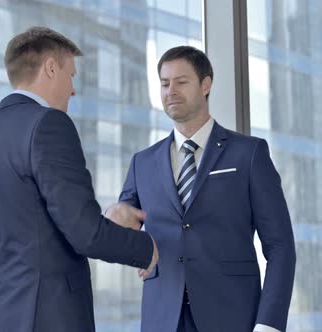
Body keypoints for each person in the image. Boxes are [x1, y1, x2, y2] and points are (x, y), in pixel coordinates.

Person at [0, 26, 158, 332]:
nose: (72, 89)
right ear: (51, 68)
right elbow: (84, 232)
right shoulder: (49, 124)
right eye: (71, 75)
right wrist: (147, 249)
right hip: (49, 318)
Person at [119, 46, 296, 332]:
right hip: (162, 319)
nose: (170, 91)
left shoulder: (248, 154)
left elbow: (280, 247)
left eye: (181, 82)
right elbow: (122, 230)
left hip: (233, 316)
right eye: (164, 83)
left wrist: (269, 324)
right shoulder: (143, 162)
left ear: (205, 85)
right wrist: (119, 223)